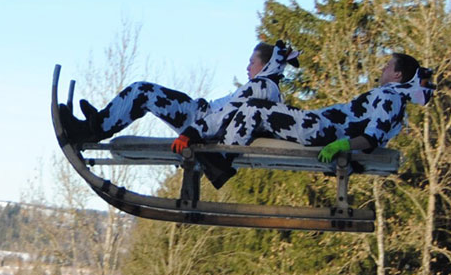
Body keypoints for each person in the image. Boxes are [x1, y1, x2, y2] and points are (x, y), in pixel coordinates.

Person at [60, 40, 299, 186]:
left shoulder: (264, 87)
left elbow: (229, 116)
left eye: (252, 62)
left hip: (198, 120)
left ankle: (93, 129)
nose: (248, 67)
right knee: (142, 91)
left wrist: (195, 133)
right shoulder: (267, 88)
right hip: (199, 115)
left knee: (143, 91)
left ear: (265, 65)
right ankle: (99, 122)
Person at [210, 53, 435, 184]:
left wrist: (340, 145)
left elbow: (371, 138)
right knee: (262, 119)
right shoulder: (393, 99)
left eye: (387, 66)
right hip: (321, 127)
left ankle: (218, 163)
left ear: (397, 75)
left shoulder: (390, 96)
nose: (382, 69)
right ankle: (218, 149)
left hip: (322, 129)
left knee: (255, 107)